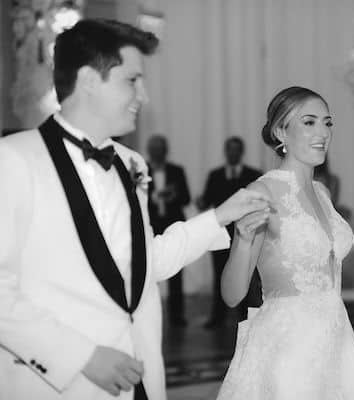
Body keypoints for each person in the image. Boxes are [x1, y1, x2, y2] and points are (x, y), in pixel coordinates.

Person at [0, 19, 270, 400]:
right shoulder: (13, 160)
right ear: (90, 80)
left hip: (141, 377)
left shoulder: (132, 163)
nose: (143, 95)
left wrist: (220, 217)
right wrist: (80, 356)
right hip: (58, 385)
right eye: (132, 80)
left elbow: (146, 263)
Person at [216, 86, 354, 399]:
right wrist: (243, 241)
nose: (323, 132)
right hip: (288, 349)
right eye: (309, 122)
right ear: (280, 132)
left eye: (327, 123)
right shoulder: (261, 193)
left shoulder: (323, 193)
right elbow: (232, 295)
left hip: (337, 340)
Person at [198, 136, 262, 327]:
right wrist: (199, 202)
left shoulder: (254, 174)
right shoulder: (215, 175)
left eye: (236, 149)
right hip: (221, 236)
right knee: (220, 275)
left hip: (247, 234)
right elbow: (207, 200)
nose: (233, 153)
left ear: (241, 152)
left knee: (247, 275)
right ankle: (218, 317)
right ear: (225, 151)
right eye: (230, 149)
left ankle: (244, 317)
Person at [146, 135, 191, 327]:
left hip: (173, 226)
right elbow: (135, 199)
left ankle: (177, 316)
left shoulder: (176, 170)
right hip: (151, 227)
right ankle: (149, 315)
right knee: (148, 272)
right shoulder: (142, 169)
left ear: (166, 150)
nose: (157, 152)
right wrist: (155, 197)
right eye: (154, 148)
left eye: (161, 148)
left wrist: (173, 196)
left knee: (176, 273)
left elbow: (186, 198)